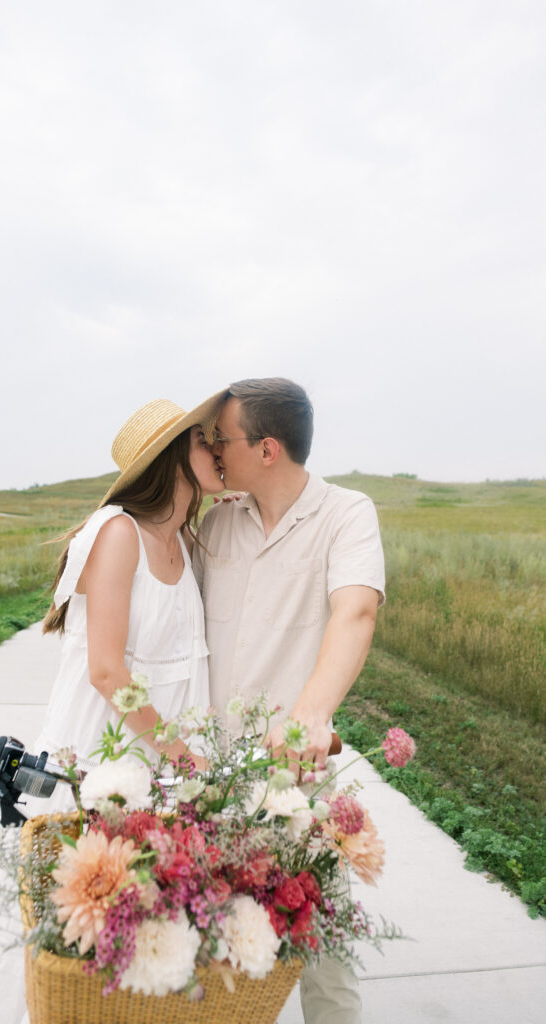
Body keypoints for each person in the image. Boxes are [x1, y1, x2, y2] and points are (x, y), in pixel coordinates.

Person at [0, 391, 225, 1024]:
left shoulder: (183, 539)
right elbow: (106, 669)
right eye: (204, 440)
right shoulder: (119, 532)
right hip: (102, 754)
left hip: (159, 765)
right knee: (72, 914)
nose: (216, 449)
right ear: (171, 456)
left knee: (145, 917)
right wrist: (182, 752)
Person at [192, 377, 385, 1024]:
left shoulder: (345, 513)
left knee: (322, 957)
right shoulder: (216, 521)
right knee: (220, 961)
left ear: (266, 448)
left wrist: (309, 714)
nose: (214, 451)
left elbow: (354, 611)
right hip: (208, 783)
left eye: (222, 439)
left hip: (296, 779)